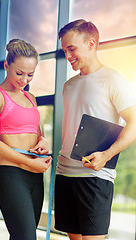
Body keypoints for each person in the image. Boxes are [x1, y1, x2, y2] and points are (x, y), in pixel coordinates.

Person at [54, 19, 136, 240]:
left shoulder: (113, 80)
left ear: (91, 44)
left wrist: (106, 155)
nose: (68, 56)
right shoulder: (68, 86)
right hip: (64, 173)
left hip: (95, 176)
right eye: (64, 50)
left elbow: (134, 123)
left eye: (72, 49)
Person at [0, 39, 52, 240]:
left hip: (36, 177)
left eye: (30, 74)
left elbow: (39, 134)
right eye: (19, 73)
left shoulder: (31, 98)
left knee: (26, 236)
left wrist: (43, 143)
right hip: (12, 176)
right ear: (6, 65)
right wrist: (29, 161)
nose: (24, 80)